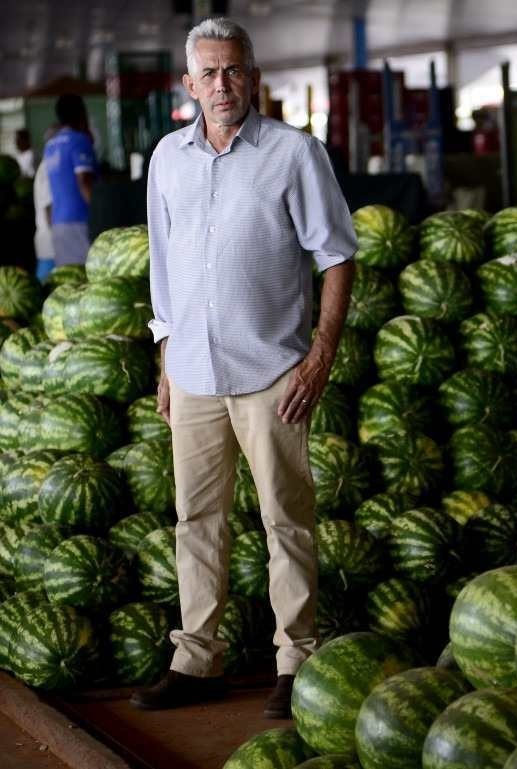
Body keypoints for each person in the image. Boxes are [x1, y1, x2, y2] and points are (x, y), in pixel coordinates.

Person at [131, 17, 356, 718]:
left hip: (271, 373)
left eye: (233, 70)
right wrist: (166, 359)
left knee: (285, 518)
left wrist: (320, 355)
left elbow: (337, 256)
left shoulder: (294, 153)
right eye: (209, 73)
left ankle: (296, 660)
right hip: (192, 372)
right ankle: (197, 659)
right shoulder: (167, 159)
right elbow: (163, 267)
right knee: (196, 519)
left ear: (253, 78)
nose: (222, 84)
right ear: (189, 84)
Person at [42, 95, 96, 268]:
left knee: (68, 275)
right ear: (81, 112)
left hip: (58, 221)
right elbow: (84, 181)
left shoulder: (50, 145)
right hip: (79, 219)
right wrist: (98, 214)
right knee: (87, 273)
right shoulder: (78, 140)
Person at [33, 126, 60, 281]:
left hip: (51, 239)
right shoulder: (48, 167)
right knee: (46, 283)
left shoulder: (50, 165)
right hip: (50, 240)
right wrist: (59, 238)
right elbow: (48, 207)